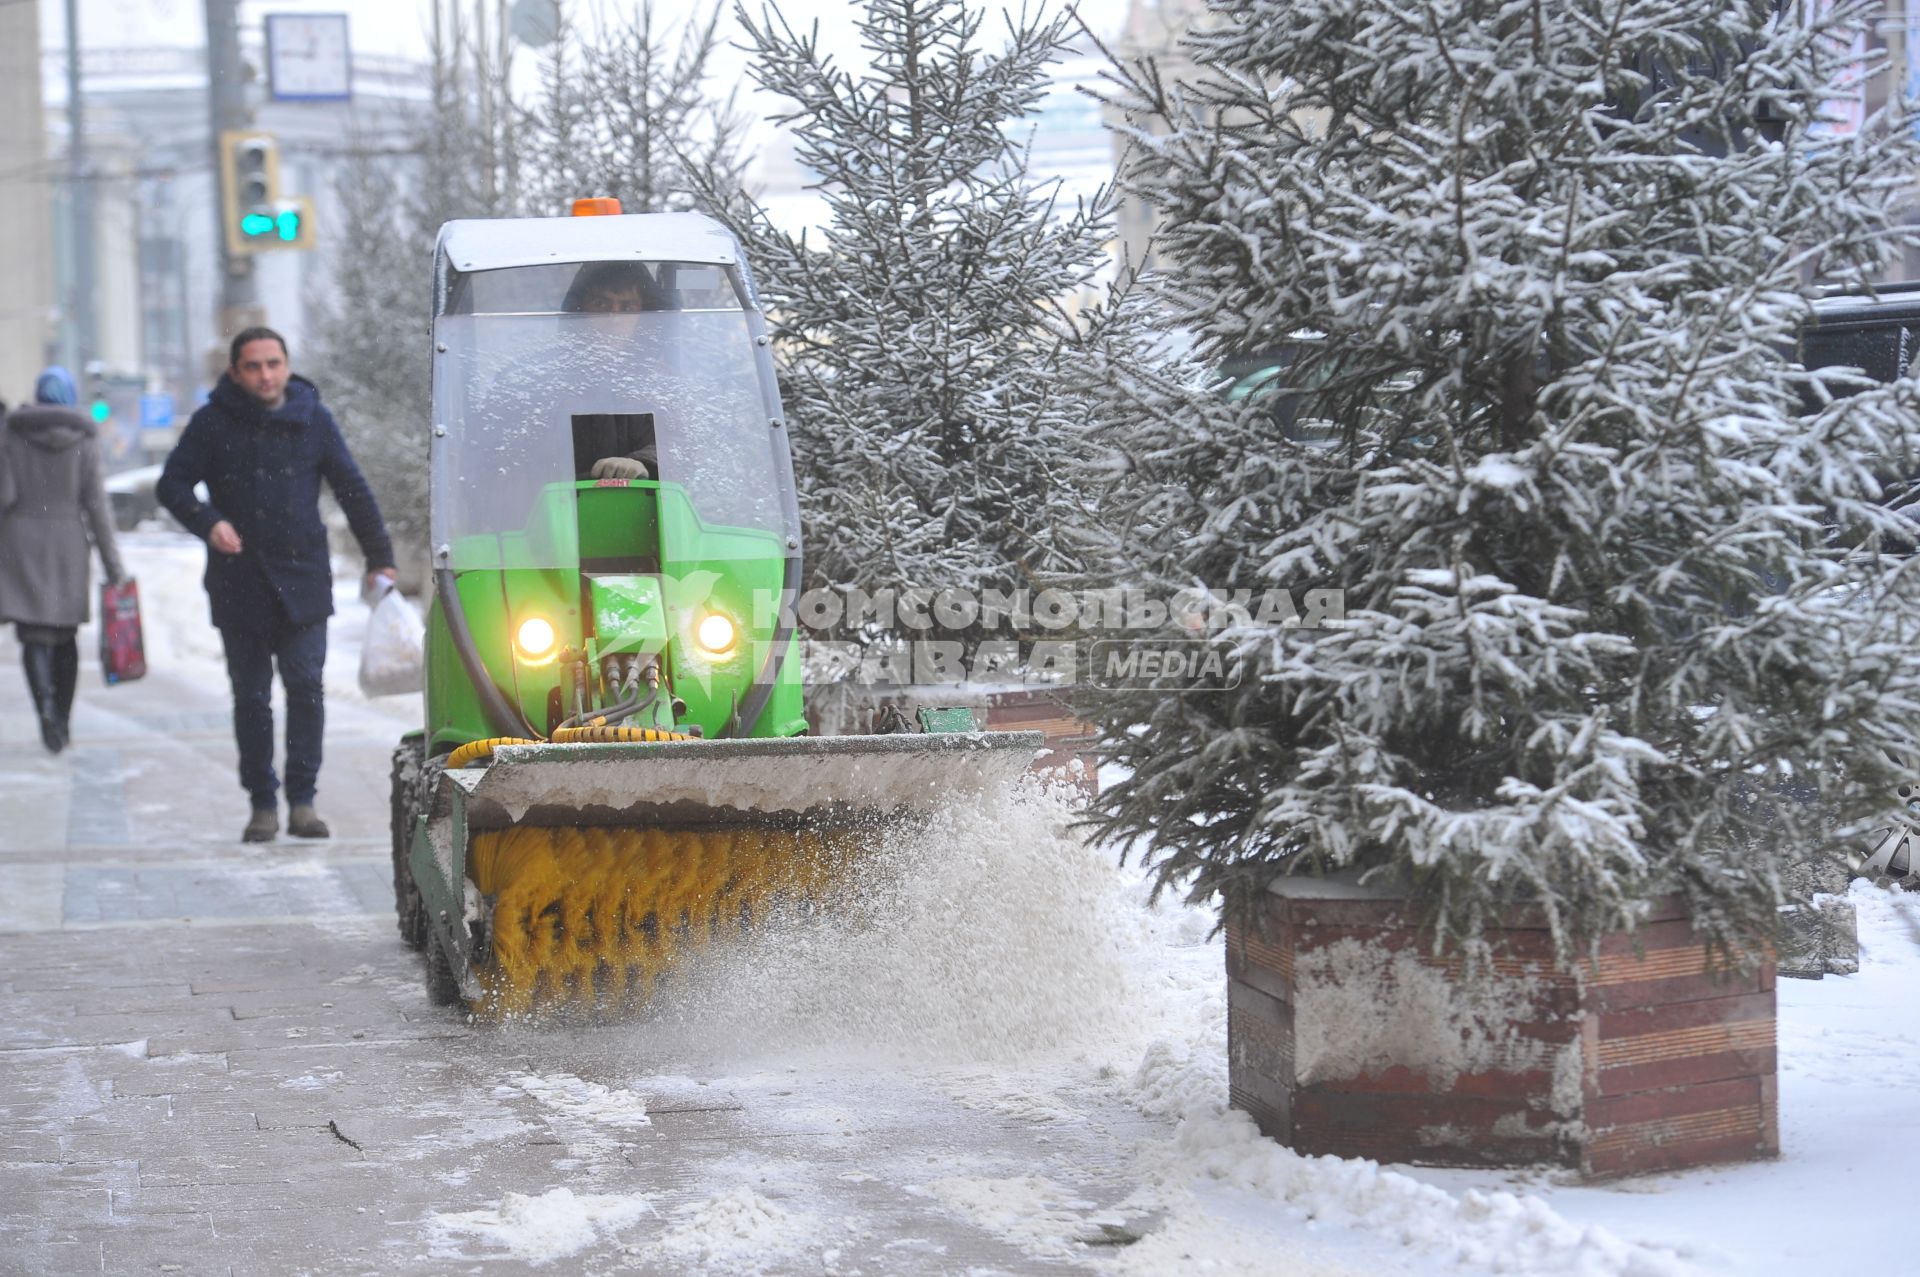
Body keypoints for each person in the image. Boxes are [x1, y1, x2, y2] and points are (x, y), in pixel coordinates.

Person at [157, 328, 395, 843]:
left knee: (307, 688)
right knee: (252, 697)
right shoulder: (213, 421)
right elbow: (171, 483)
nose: (265, 375)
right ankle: (262, 803)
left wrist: (381, 558)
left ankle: (303, 800)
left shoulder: (313, 418)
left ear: (287, 365)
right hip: (238, 582)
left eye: (273, 364)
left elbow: (351, 488)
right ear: (236, 372)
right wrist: (208, 522)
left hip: (303, 579)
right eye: (253, 366)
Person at [0, 367, 126, 753]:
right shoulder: (84, 439)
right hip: (69, 542)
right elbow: (97, 507)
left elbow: (4, 495)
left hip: (21, 542)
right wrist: (113, 565)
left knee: (33, 635)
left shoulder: (11, 433)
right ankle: (64, 722)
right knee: (65, 634)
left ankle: (46, 715)